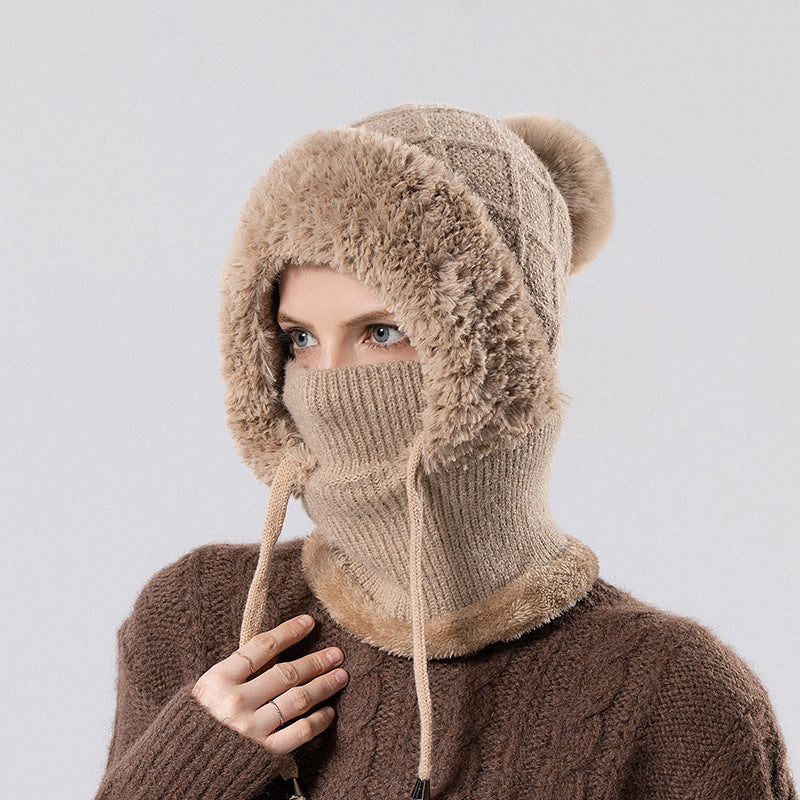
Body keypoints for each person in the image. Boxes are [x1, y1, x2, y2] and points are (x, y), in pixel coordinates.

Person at [95, 104, 796, 799]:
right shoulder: (200, 622)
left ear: (501, 352)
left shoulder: (676, 700)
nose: (328, 382)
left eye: (382, 332)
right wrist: (185, 775)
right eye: (300, 338)